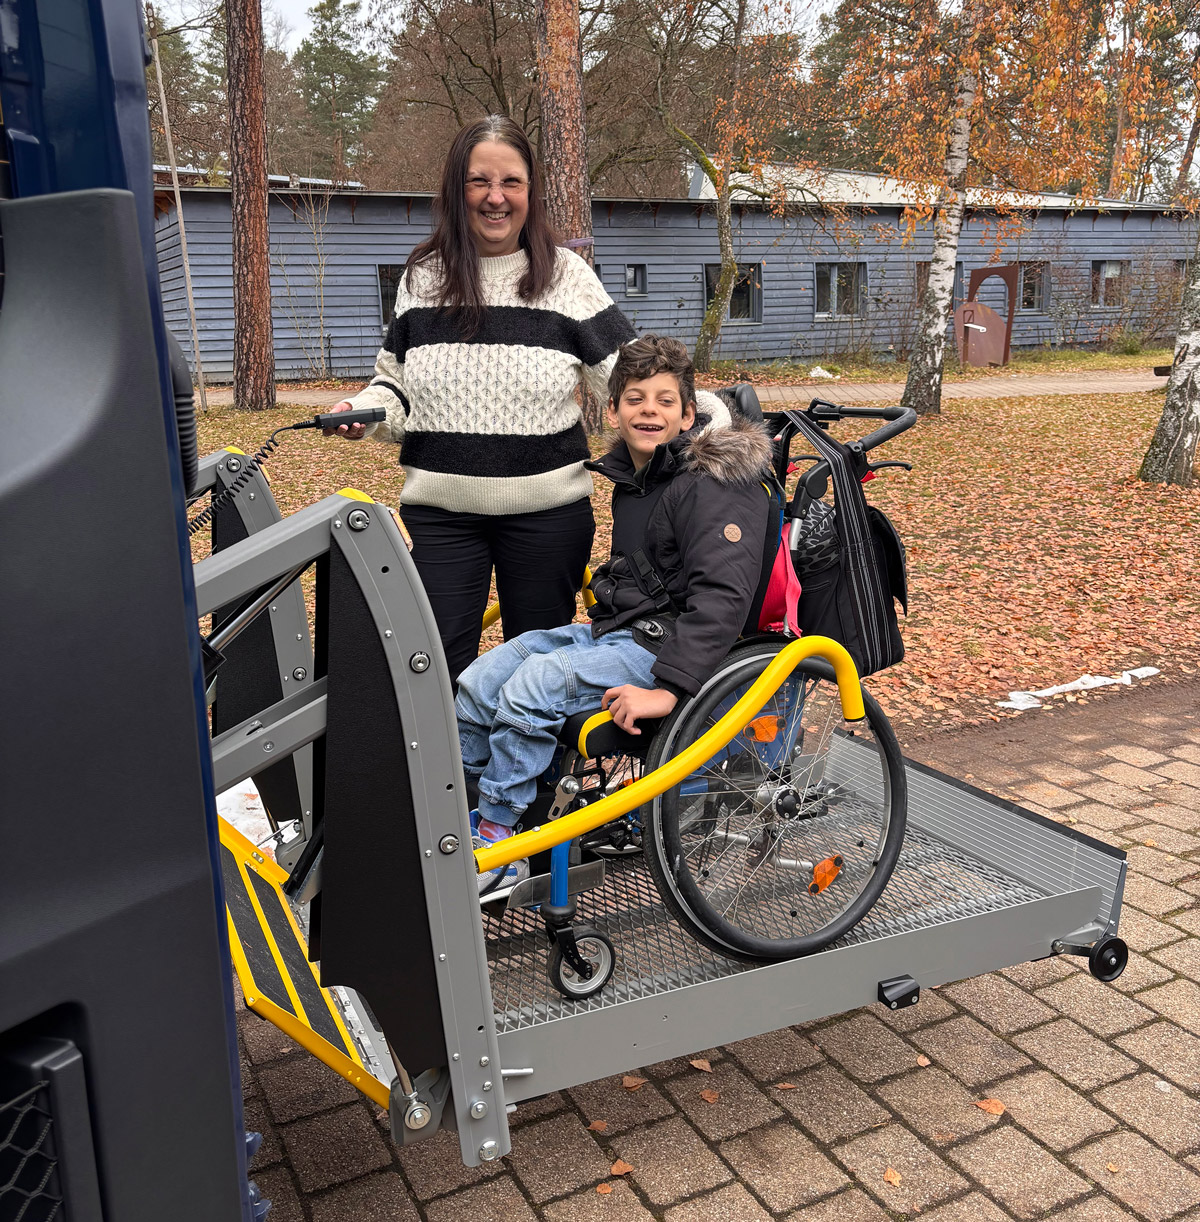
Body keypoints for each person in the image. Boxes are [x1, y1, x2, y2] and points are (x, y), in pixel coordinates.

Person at [455, 334, 772, 890]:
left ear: (688, 415)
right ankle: (469, 817)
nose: (649, 410)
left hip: (669, 650)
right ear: (612, 410)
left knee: (534, 685)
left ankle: (500, 839)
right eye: (635, 398)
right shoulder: (639, 477)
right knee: (482, 679)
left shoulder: (714, 483)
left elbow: (724, 596)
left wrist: (669, 689)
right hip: (624, 632)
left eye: (664, 400)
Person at [323, 115, 634, 681]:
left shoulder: (567, 275)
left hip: (547, 516)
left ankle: (529, 775)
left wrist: (703, 413)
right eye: (479, 182)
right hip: (442, 516)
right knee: (432, 675)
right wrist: (361, 411)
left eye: (511, 182)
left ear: (530, 191)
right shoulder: (423, 275)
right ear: (455, 189)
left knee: (535, 678)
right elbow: (395, 383)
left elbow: (631, 377)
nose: (496, 198)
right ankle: (454, 774)